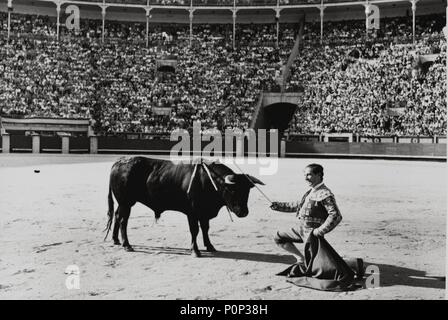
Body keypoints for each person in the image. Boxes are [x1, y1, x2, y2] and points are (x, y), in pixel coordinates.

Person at [270, 163, 342, 264]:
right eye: (305, 175)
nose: (306, 178)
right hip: (301, 230)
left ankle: (355, 265)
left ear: (319, 175)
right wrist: (279, 206)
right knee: (278, 237)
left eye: (309, 175)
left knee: (323, 264)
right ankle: (300, 258)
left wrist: (319, 231)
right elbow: (298, 205)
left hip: (312, 235)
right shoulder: (311, 191)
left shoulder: (325, 194)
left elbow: (336, 215)